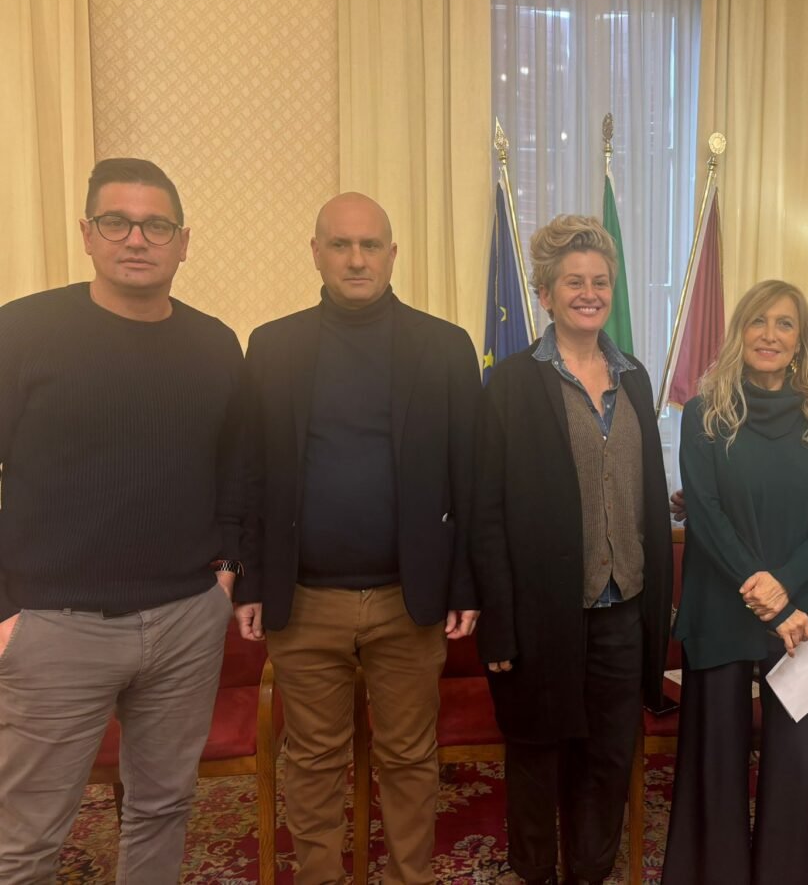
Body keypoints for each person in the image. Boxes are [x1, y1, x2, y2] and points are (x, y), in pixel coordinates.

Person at [0, 157, 249, 881]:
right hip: (53, 627)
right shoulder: (22, 332)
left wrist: (226, 572)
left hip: (185, 621)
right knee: (26, 841)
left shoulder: (215, 345)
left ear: (183, 242)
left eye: (156, 226)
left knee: (163, 808)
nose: (137, 239)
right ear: (87, 233)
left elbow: (237, 470)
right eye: (117, 222)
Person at [237, 192, 480, 885]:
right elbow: (250, 473)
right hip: (305, 599)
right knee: (313, 761)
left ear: (392, 254)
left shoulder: (444, 346)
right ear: (316, 252)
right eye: (340, 244)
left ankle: (409, 877)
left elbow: (470, 477)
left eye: (370, 245)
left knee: (409, 758)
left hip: (410, 599)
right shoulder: (273, 346)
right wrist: (249, 578)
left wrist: (465, 583)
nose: (355, 258)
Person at [471, 215, 672, 885]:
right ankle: (535, 873)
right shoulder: (511, 385)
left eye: (600, 281)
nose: (589, 293)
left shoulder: (635, 379)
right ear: (546, 294)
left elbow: (646, 493)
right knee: (537, 757)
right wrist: (500, 623)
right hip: (542, 614)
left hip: (623, 611)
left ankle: (590, 872)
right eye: (574, 282)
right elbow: (487, 512)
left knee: (608, 760)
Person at [661, 279, 808, 885]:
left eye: (784, 324)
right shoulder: (706, 413)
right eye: (758, 321)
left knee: (796, 765)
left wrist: (784, 586)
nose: (770, 335)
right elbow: (705, 512)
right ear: (739, 332)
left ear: (801, 342)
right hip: (722, 606)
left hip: (807, 611)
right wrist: (764, 590)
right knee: (715, 761)